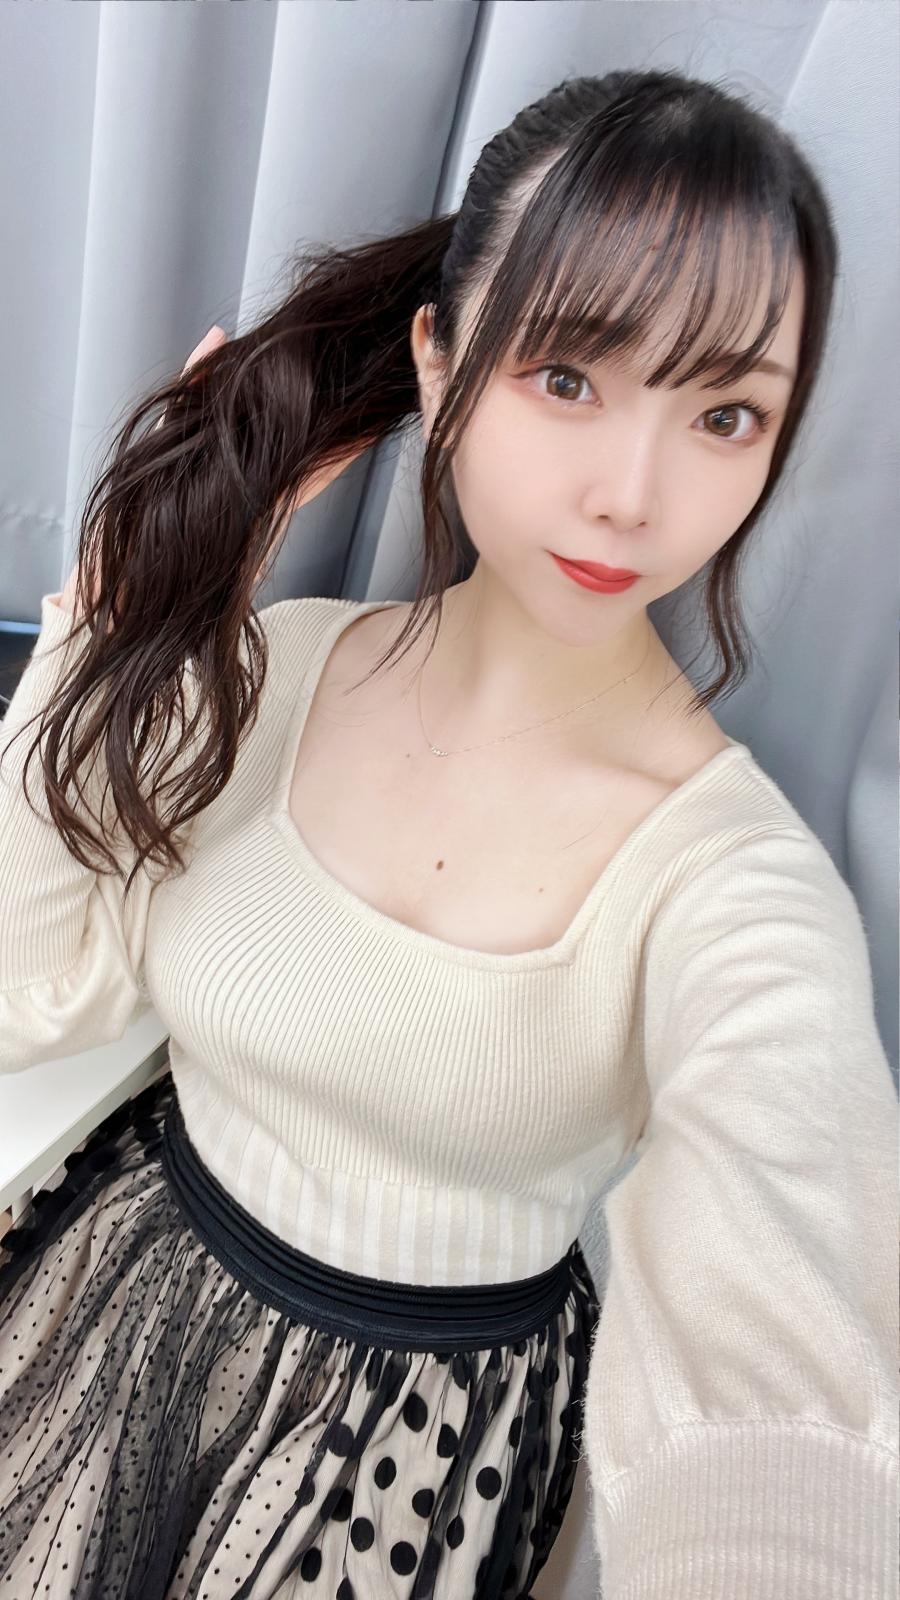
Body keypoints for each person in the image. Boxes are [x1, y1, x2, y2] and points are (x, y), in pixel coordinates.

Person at [0, 66, 896, 1600]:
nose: (632, 496)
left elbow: (787, 1380)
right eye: (568, 378)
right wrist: (120, 623)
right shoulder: (271, 671)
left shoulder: (732, 884)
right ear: (436, 358)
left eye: (724, 413)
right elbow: (28, 986)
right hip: (101, 1309)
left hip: (405, 1473)